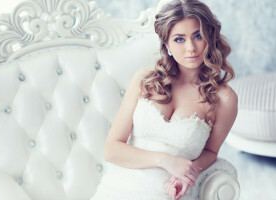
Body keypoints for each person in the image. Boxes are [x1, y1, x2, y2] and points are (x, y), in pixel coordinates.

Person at [90, 0, 238, 199]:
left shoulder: (224, 98)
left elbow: (211, 151)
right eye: (179, 39)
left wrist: (188, 173)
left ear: (209, 38)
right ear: (166, 44)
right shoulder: (145, 81)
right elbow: (112, 149)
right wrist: (165, 161)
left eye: (198, 36)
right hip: (117, 187)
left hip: (170, 191)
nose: (191, 48)